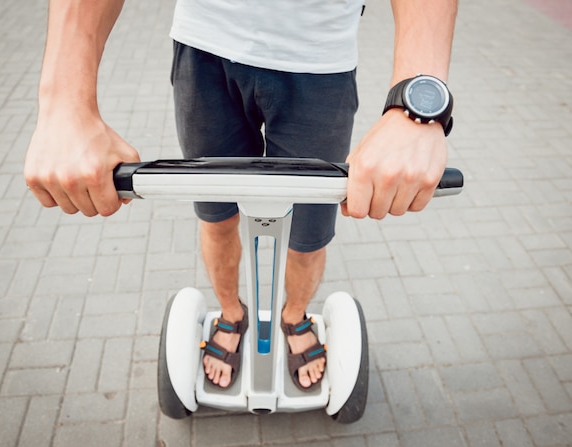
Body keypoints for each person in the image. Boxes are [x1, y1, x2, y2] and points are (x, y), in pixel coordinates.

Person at [24, 0, 458, 390]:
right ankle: (232, 313)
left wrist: (416, 104)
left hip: (320, 64)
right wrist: (65, 101)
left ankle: (294, 317)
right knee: (216, 216)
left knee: (308, 235)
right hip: (204, 48)